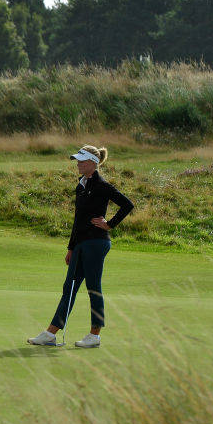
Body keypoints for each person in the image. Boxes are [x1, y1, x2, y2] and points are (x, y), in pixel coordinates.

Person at [27, 145, 134, 348]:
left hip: (97, 242)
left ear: (93, 163)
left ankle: (94, 335)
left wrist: (109, 224)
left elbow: (127, 204)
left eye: (82, 161)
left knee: (93, 288)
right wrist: (71, 248)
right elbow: (78, 220)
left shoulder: (102, 185)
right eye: (78, 160)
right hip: (81, 243)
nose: (78, 164)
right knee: (69, 287)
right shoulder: (81, 185)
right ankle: (50, 334)